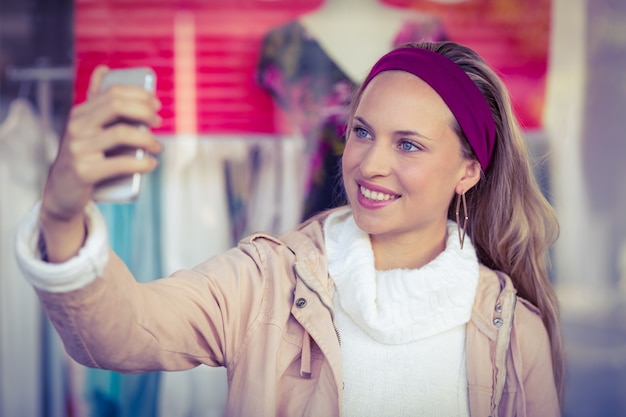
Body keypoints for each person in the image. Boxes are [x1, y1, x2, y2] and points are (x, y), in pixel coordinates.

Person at [15, 40, 564, 417]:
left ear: (468, 170)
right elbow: (121, 333)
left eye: (409, 145)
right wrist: (62, 218)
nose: (369, 164)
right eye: (362, 132)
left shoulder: (512, 336)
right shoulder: (267, 283)